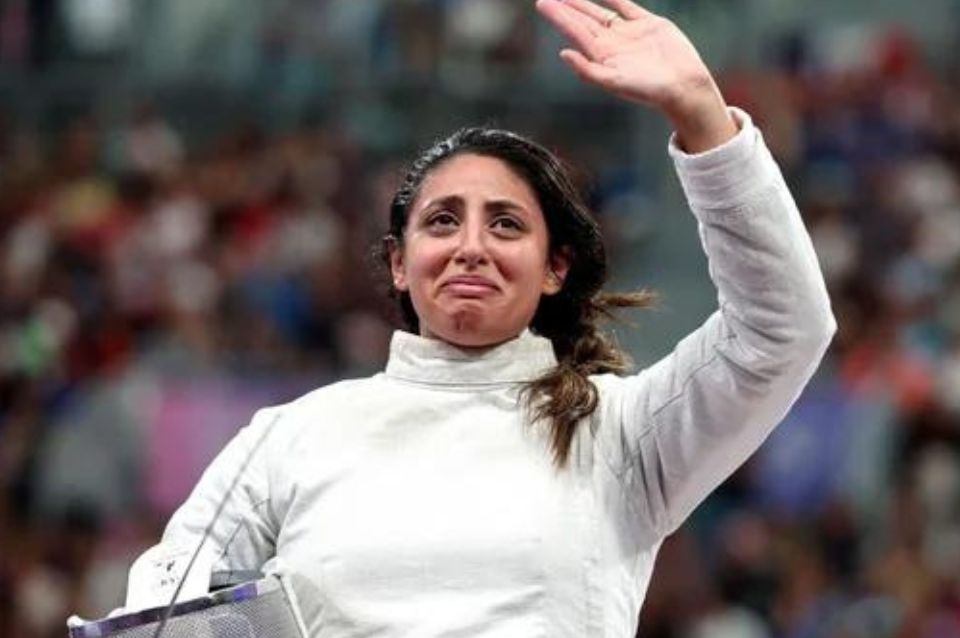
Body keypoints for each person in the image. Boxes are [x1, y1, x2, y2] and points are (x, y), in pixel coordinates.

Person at [145, 0, 836, 635]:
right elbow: (162, 613)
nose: (471, 246)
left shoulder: (619, 432)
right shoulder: (288, 439)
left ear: (554, 267)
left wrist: (705, 118)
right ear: (399, 263)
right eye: (443, 221)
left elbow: (782, 331)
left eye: (505, 224)